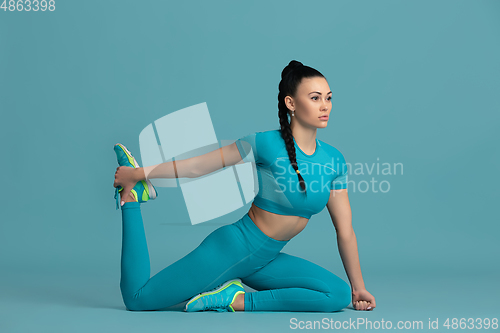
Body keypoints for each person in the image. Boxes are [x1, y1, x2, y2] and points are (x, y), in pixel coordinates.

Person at [112, 60, 376, 312]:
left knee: (338, 294)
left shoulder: (334, 160)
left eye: (328, 98)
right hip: (233, 249)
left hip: (267, 259)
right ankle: (133, 197)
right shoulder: (264, 143)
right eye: (315, 98)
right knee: (138, 298)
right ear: (291, 103)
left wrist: (359, 288)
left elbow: (345, 231)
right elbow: (198, 166)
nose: (325, 106)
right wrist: (139, 173)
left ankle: (234, 301)